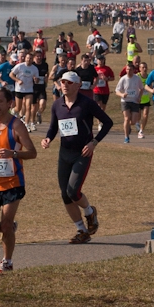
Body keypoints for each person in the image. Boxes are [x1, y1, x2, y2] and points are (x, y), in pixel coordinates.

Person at [41, 72, 113, 244]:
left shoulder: (87, 103)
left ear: (77, 85)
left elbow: (108, 122)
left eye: (68, 82)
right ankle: (81, 230)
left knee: (73, 191)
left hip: (82, 152)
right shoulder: (57, 104)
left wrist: (94, 143)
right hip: (64, 152)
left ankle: (89, 212)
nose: (64, 85)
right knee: (65, 195)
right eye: (62, 82)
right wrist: (47, 138)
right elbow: (53, 127)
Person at [0, 86, 37, 272]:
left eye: (0, 101)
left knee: (6, 223)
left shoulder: (17, 125)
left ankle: (7, 261)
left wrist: (14, 154)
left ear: (10, 103)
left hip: (12, 182)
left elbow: (32, 153)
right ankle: (9, 229)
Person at [10, 52, 39, 131]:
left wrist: (36, 80)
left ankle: (26, 124)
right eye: (27, 58)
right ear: (25, 58)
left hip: (29, 89)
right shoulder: (20, 66)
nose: (28, 60)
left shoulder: (34, 68)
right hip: (19, 89)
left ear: (32, 59)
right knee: (18, 108)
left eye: (30, 58)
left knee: (28, 107)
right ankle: (13, 110)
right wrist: (17, 80)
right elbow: (11, 74)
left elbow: (37, 79)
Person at [115, 62, 142, 143]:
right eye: (127, 69)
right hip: (125, 101)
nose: (128, 71)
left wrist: (139, 97)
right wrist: (122, 95)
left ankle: (128, 126)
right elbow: (117, 91)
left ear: (133, 70)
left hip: (134, 101)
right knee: (126, 118)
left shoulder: (137, 78)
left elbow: (141, 89)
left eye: (130, 69)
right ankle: (126, 137)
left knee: (133, 121)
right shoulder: (123, 79)